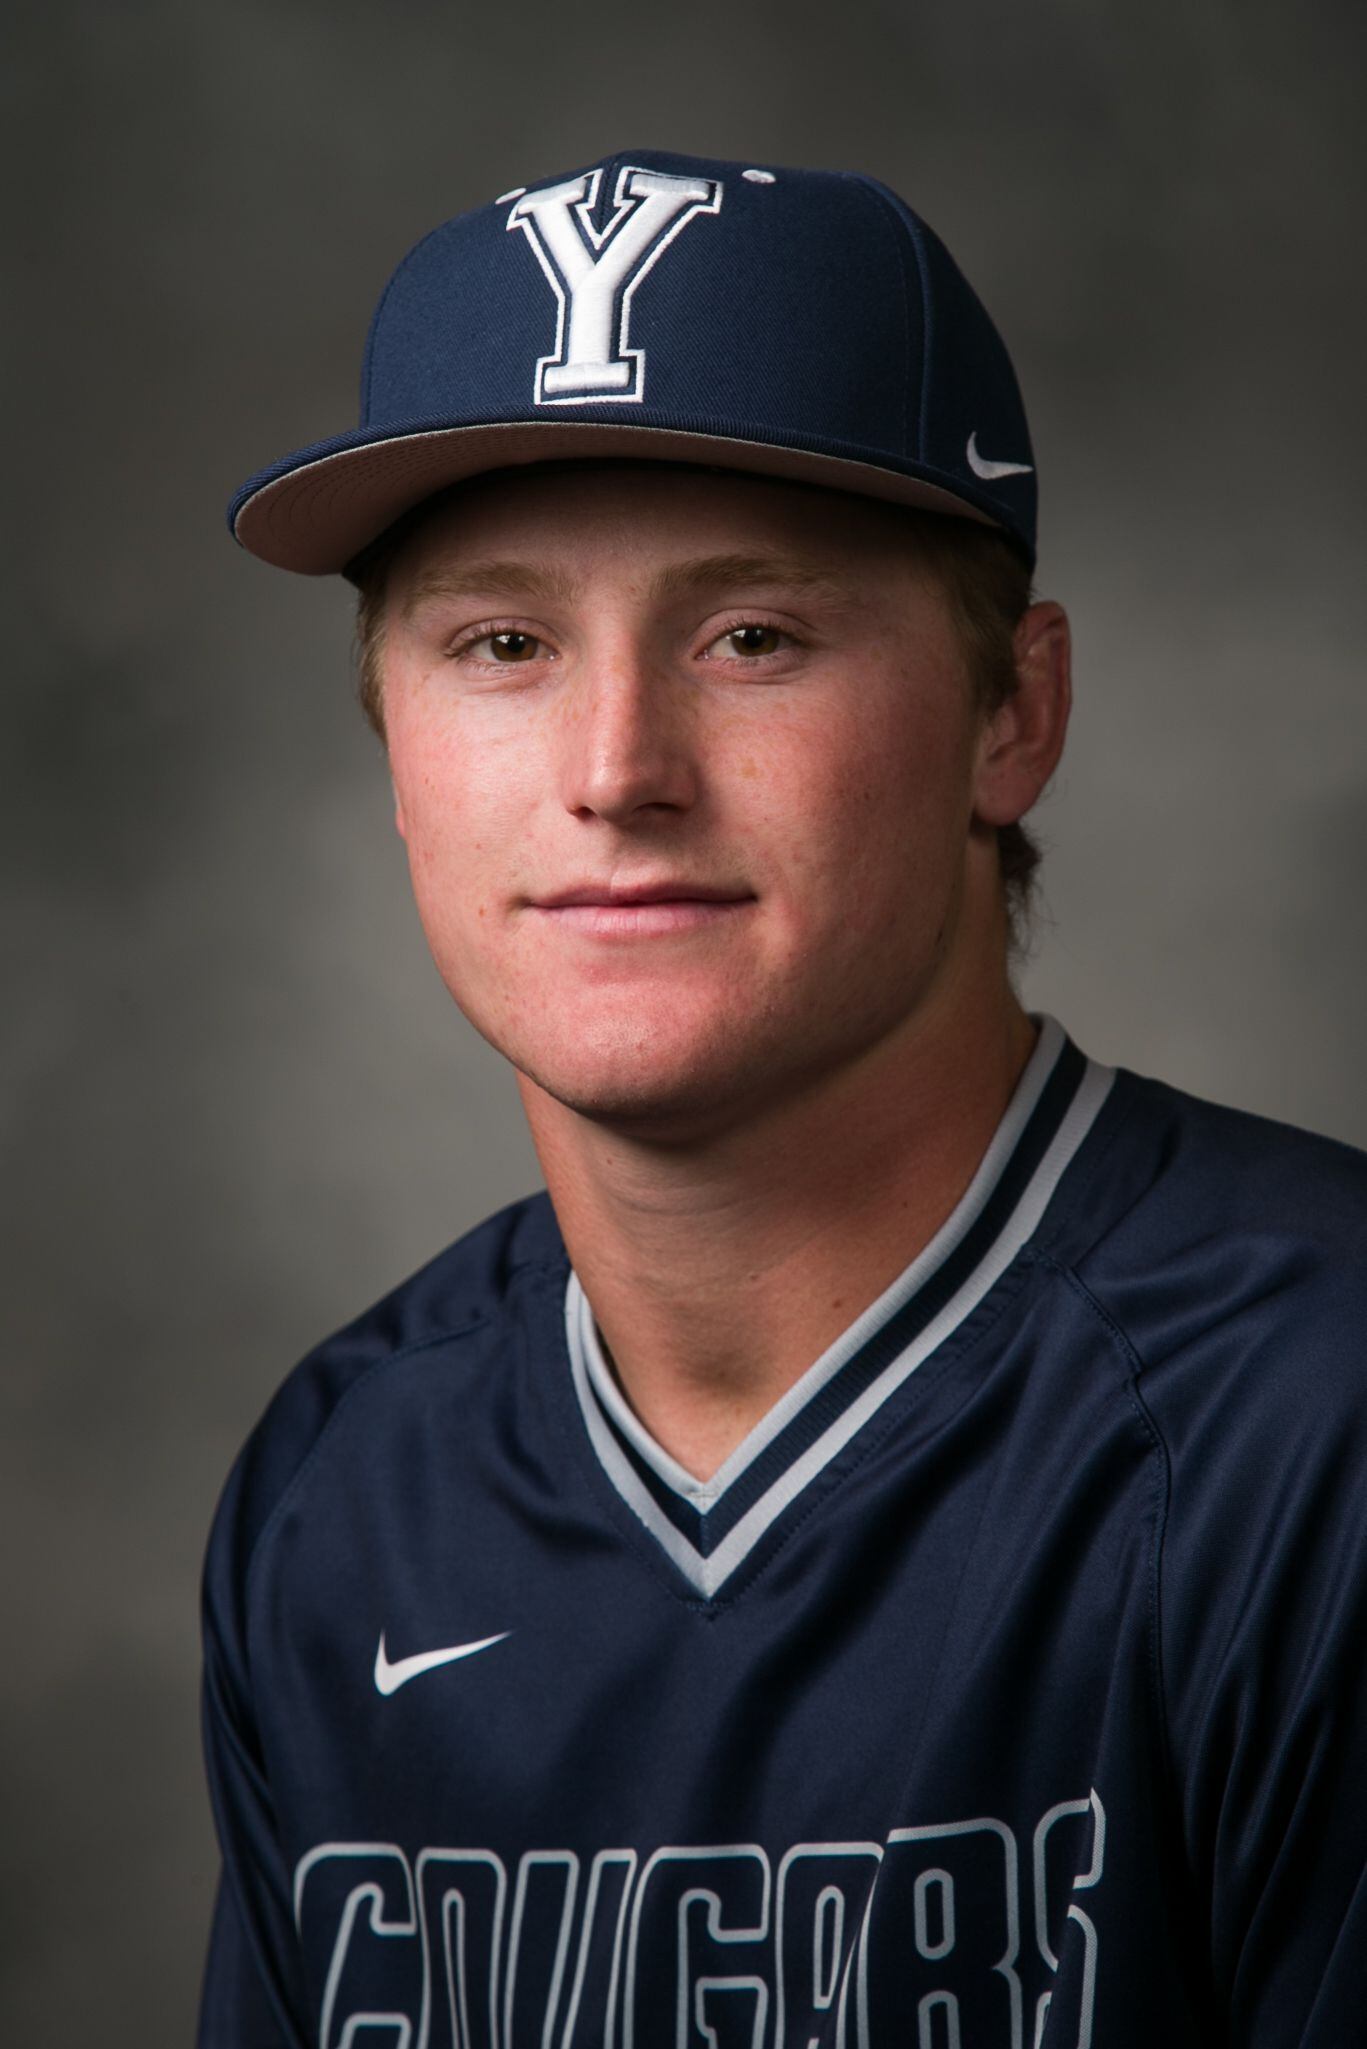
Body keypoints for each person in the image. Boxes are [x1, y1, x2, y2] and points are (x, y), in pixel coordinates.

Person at [200, 149, 1367, 2048]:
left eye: (753, 635)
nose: (616, 768)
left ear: (1012, 715)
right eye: (503, 644)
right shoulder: (343, 1484)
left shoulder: (1317, 1417)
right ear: (396, 747)